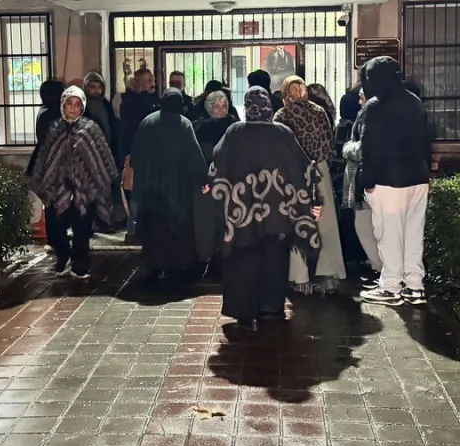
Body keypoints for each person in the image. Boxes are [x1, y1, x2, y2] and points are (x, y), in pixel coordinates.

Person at [207, 87, 321, 329]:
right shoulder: (283, 133)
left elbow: (217, 167)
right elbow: (303, 170)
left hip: (242, 216)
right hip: (277, 215)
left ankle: (244, 310)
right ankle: (272, 308)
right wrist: (311, 201)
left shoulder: (235, 132)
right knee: (275, 258)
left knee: (244, 259)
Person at [358, 56, 433, 306]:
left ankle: (390, 287)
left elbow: (369, 147)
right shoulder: (415, 103)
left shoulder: (375, 106)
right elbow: (426, 141)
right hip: (418, 177)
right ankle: (415, 286)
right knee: (414, 235)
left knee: (389, 235)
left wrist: (367, 180)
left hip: (388, 180)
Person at [28, 86, 120, 279]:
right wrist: (49, 181)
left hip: (85, 189)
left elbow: (101, 158)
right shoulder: (54, 128)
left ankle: (80, 264)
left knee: (82, 228)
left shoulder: (91, 128)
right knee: (56, 228)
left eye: (77, 104)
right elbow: (45, 158)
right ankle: (63, 256)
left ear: (82, 107)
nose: (73, 108)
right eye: (69, 103)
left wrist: (92, 183)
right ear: (63, 105)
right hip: (58, 188)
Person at [274, 76, 347, 294]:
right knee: (326, 222)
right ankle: (330, 273)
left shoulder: (282, 115)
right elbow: (328, 145)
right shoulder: (319, 111)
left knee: (297, 221)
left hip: (293, 173)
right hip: (320, 170)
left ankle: (299, 276)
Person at [130, 88, 207, 282]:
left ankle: (154, 264)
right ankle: (178, 264)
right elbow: (193, 156)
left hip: (151, 188)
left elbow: (136, 155)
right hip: (178, 187)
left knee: (155, 227)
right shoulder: (183, 124)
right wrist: (202, 179)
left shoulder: (148, 122)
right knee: (178, 227)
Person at [191, 89, 237, 266]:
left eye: (224, 105)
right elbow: (199, 155)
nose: (221, 109)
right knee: (208, 219)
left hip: (231, 178)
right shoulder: (200, 127)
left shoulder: (233, 124)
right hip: (209, 179)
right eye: (216, 106)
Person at [340, 87, 382, 280]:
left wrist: (347, 148)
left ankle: (380, 268)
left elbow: (363, 149)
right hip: (373, 179)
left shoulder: (368, 115)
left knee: (364, 226)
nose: (359, 102)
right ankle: (381, 269)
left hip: (365, 179)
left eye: (362, 98)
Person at [116, 67, 159, 239]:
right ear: (139, 83)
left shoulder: (153, 101)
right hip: (136, 156)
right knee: (135, 193)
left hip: (150, 155)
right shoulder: (133, 104)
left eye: (152, 79)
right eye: (148, 81)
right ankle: (135, 229)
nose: (152, 84)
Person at [83, 71, 117, 157]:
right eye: (93, 87)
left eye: (99, 87)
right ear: (86, 88)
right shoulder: (82, 106)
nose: (96, 90)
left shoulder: (106, 105)